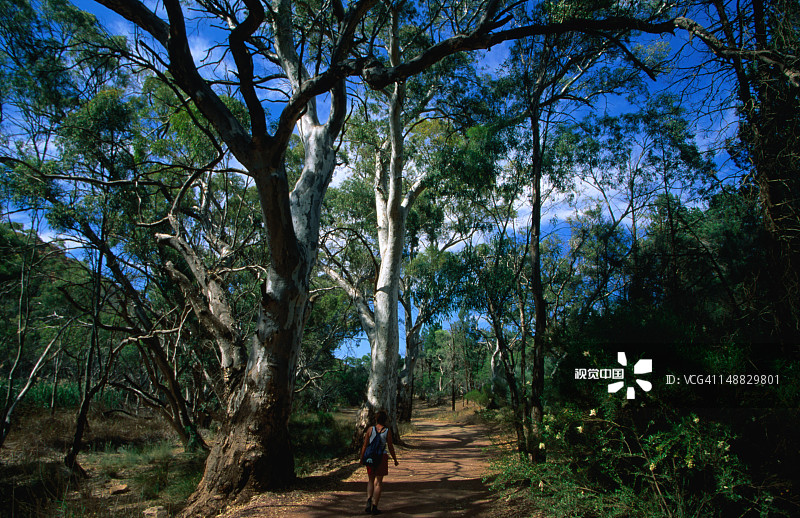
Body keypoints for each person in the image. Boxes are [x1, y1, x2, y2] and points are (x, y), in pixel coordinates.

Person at [359, 409, 398, 515]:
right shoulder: (387, 431)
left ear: (376, 419)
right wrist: (394, 459)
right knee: (379, 483)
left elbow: (365, 445)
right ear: (385, 420)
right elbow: (390, 446)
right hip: (382, 457)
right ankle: (375, 506)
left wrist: (362, 458)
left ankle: (368, 501)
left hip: (370, 457)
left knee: (371, 480)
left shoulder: (370, 429)